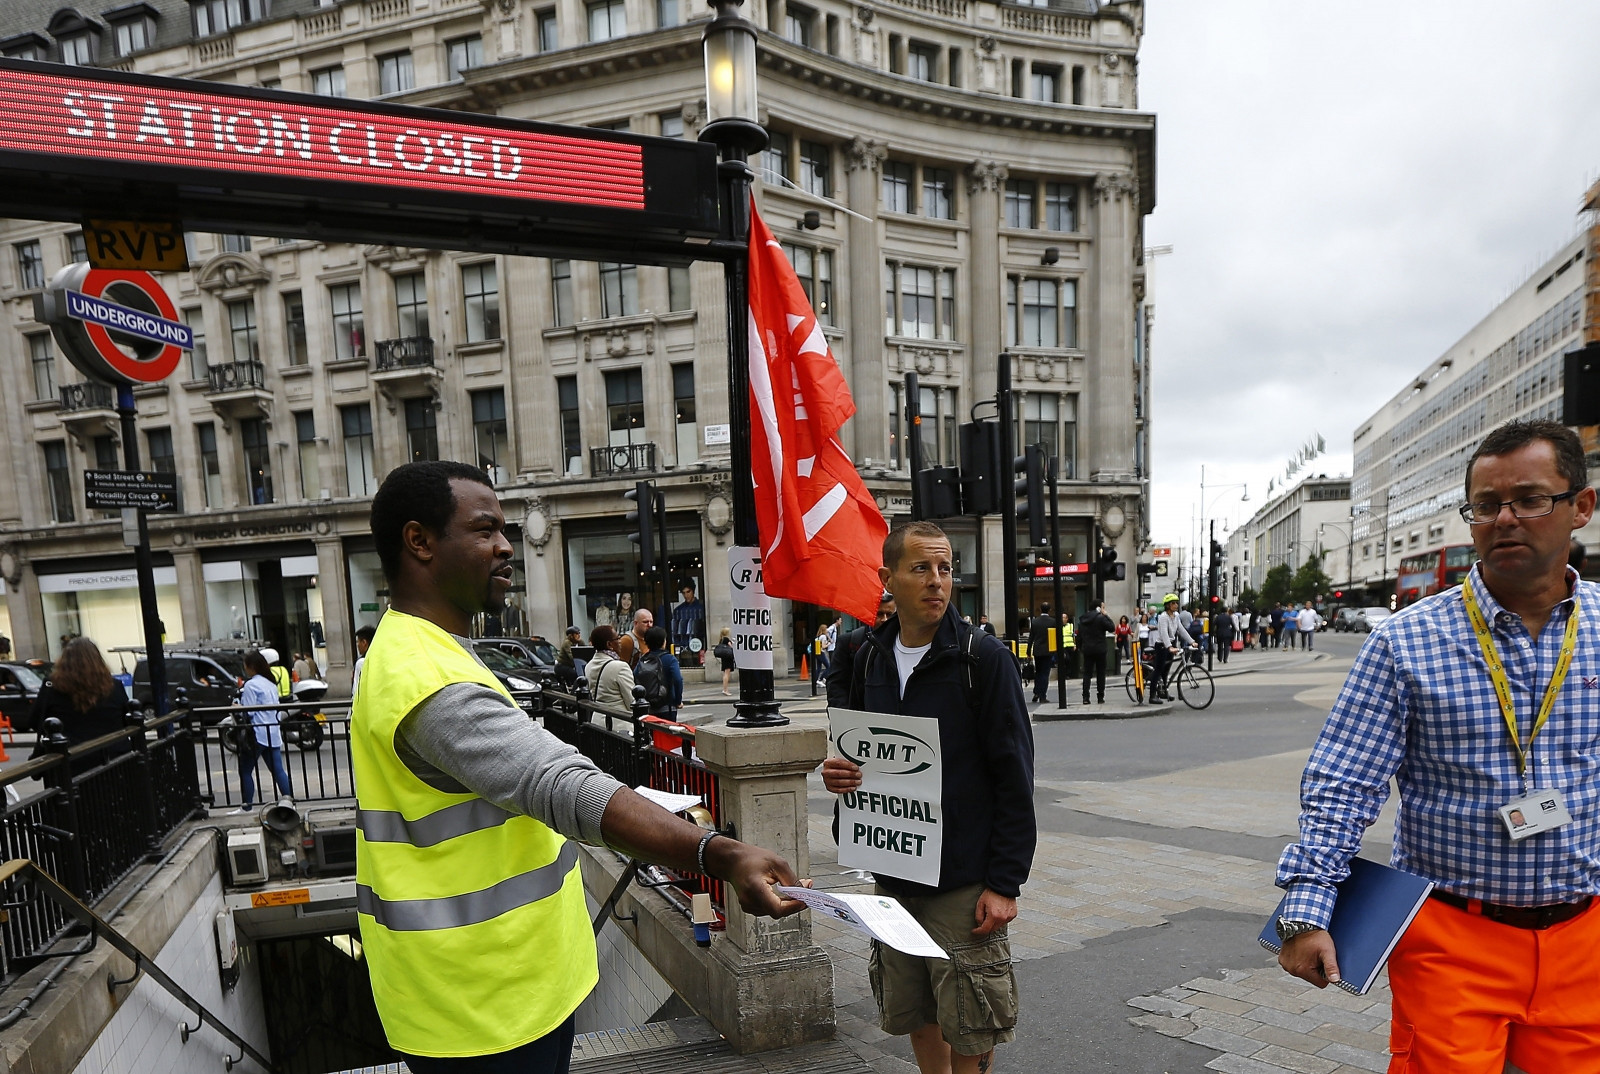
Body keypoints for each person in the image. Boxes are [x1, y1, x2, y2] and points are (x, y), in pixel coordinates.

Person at [352, 461, 805, 1071]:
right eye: (485, 530)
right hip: (486, 1011)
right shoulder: (424, 677)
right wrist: (719, 854)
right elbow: (559, 785)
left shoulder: (419, 652)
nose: (507, 546)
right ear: (420, 541)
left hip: (492, 993)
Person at [1275, 420, 1600, 1073]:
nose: (1505, 519)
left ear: (1581, 508)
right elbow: (1343, 781)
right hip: (1454, 938)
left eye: (1530, 499)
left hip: (1585, 935)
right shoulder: (1406, 641)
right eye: (1486, 506)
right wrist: (1306, 911)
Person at [820, 521, 1035, 1074]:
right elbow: (855, 757)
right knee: (915, 1010)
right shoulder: (866, 659)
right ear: (888, 578)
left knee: (970, 1020)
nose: (937, 581)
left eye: (944, 568)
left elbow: (1015, 776)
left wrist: (1004, 883)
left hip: (961, 883)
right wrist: (840, 776)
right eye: (921, 568)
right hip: (892, 876)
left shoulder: (980, 659)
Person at [27, 637, 131, 770]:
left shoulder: (52, 688)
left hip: (70, 764)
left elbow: (35, 721)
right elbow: (127, 720)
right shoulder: (114, 686)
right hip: (114, 761)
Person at [236, 649, 292, 814]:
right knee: (278, 770)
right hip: (272, 731)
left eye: (245, 665)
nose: (245, 668)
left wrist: (237, 708)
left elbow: (249, 712)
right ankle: (289, 801)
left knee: (245, 770)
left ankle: (247, 806)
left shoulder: (251, 685)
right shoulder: (270, 683)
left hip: (257, 733)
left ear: (251, 666)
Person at [825, 592, 897, 710]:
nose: (884, 619)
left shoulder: (904, 643)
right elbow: (836, 686)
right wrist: (844, 719)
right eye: (879, 614)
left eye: (889, 614)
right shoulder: (849, 642)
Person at [1150, 595, 1195, 702]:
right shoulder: (1163, 617)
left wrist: (1192, 641)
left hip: (1171, 644)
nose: (1176, 605)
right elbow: (1164, 633)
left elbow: (1181, 630)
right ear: (1168, 605)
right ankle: (1152, 696)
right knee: (1158, 670)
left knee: (1166, 670)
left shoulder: (1175, 616)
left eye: (1176, 603)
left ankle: (1163, 692)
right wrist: (1169, 647)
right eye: (1174, 603)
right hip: (1162, 645)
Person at [634, 626, 683, 718]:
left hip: (648, 707)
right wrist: (678, 701)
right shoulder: (670, 659)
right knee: (666, 732)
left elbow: (635, 676)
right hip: (667, 706)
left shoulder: (643, 659)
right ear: (663, 642)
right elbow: (678, 679)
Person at [585, 624, 635, 707]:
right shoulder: (620, 667)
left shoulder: (589, 665)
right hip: (618, 717)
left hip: (597, 717)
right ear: (609, 644)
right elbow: (632, 701)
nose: (620, 641)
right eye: (618, 638)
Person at [1076, 600, 1115, 705]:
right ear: (1098, 608)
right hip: (1100, 649)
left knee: (1087, 674)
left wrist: (1080, 648)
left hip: (1087, 649)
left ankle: (1085, 697)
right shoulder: (1101, 618)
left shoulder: (1083, 619)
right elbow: (1112, 627)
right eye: (1102, 607)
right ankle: (1100, 696)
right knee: (1100, 673)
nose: (1103, 609)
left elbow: (1079, 636)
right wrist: (1106, 615)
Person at [670, 582, 705, 666]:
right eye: (683, 593)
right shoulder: (678, 610)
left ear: (693, 591)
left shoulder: (701, 608)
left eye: (688, 592)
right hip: (683, 647)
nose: (686, 595)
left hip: (698, 644)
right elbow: (674, 631)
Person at [1028, 602, 1055, 704]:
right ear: (1049, 610)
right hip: (1048, 650)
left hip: (1037, 650)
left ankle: (1036, 692)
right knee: (1045, 673)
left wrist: (1028, 651)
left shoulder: (1035, 622)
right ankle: (1042, 695)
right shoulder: (1052, 622)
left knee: (1038, 672)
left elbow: (1031, 638)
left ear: (1040, 609)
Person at [351, 625, 376, 698]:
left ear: (364, 643)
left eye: (358, 642)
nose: (357, 645)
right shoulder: (379, 659)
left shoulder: (361, 662)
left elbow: (356, 690)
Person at [713, 628, 736, 695]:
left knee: (726, 673)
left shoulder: (721, 640)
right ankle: (725, 690)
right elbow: (731, 647)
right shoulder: (726, 639)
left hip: (725, 658)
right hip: (728, 658)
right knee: (727, 674)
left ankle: (725, 689)